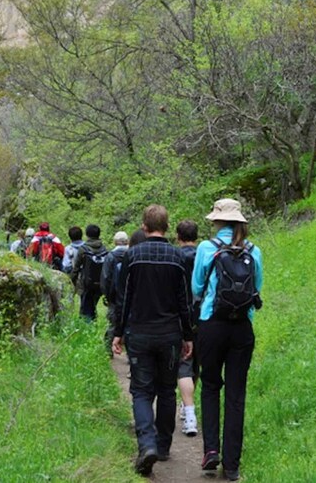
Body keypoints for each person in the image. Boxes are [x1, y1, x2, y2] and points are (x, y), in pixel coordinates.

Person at [112, 206, 194, 476]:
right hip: (170, 333)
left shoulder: (132, 256)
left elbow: (124, 299)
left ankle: (146, 444)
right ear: (167, 227)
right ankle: (163, 445)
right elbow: (184, 300)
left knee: (142, 390)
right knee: (167, 389)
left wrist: (119, 332)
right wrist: (187, 335)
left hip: (140, 332)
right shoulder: (176, 257)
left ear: (144, 226)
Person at [192, 199, 263, 482]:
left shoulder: (207, 248)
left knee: (210, 386)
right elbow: (256, 288)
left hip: (212, 325)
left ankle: (211, 450)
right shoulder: (254, 251)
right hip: (242, 329)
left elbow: (197, 286)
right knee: (236, 394)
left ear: (216, 221)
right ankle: (231, 465)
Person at [174, 219, 200, 437]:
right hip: (203, 316)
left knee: (184, 363)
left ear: (177, 236)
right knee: (196, 364)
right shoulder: (205, 255)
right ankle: (187, 405)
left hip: (180, 316)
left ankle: (189, 414)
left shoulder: (175, 256)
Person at [101, 230, 130, 354]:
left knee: (113, 322)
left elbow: (106, 277)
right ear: (127, 241)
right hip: (129, 295)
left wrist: (107, 295)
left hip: (114, 296)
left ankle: (109, 349)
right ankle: (130, 354)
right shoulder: (132, 254)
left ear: (115, 241)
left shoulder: (111, 256)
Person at [71, 224, 107, 321]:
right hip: (100, 282)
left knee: (85, 308)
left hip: (86, 283)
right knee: (93, 305)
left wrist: (72, 280)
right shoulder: (105, 249)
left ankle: (86, 326)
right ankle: (93, 323)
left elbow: (76, 268)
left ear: (87, 235)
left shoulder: (83, 249)